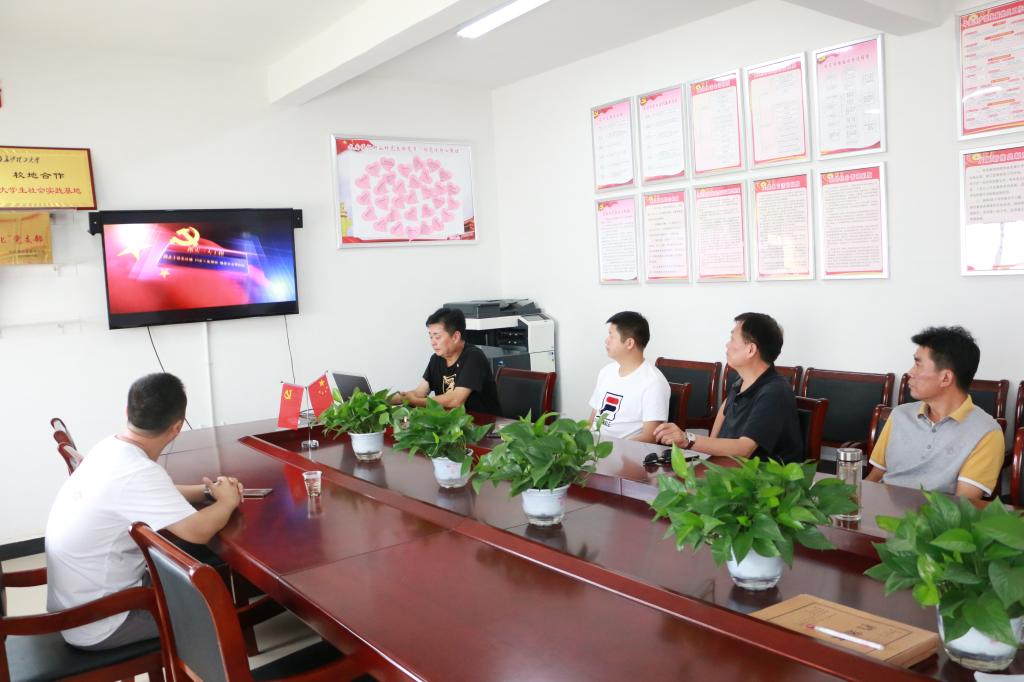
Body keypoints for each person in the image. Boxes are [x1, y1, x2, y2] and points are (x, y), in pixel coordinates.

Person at [45, 373, 243, 650]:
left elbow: (151, 492)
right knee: (211, 612)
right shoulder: (138, 471)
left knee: (189, 571)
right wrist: (227, 502)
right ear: (177, 427)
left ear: (127, 412)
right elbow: (197, 532)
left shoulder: (111, 447)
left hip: (75, 606)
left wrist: (206, 492)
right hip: (102, 622)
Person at [866, 326, 1003, 500]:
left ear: (945, 378)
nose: (910, 372)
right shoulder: (900, 415)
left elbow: (962, 504)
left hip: (933, 517)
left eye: (918, 364)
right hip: (881, 512)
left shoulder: (987, 433)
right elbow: (875, 477)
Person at [654, 312, 803, 463]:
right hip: (730, 467)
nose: (727, 345)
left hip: (762, 475)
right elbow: (725, 409)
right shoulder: (742, 381)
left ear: (750, 350)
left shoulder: (775, 391)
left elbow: (744, 449)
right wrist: (709, 453)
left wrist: (688, 439)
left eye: (732, 339)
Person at [393, 307, 501, 414]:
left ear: (455, 337)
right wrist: (388, 399)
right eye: (431, 337)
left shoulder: (474, 357)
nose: (433, 342)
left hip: (482, 422)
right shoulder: (436, 359)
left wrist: (415, 401)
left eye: (437, 337)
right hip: (449, 422)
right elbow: (419, 393)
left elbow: (455, 401)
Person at [587, 311, 669, 442]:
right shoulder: (606, 372)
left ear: (629, 343)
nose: (606, 340)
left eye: (611, 335)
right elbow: (592, 421)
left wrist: (610, 448)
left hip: (625, 452)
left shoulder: (653, 382)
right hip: (594, 448)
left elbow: (651, 437)